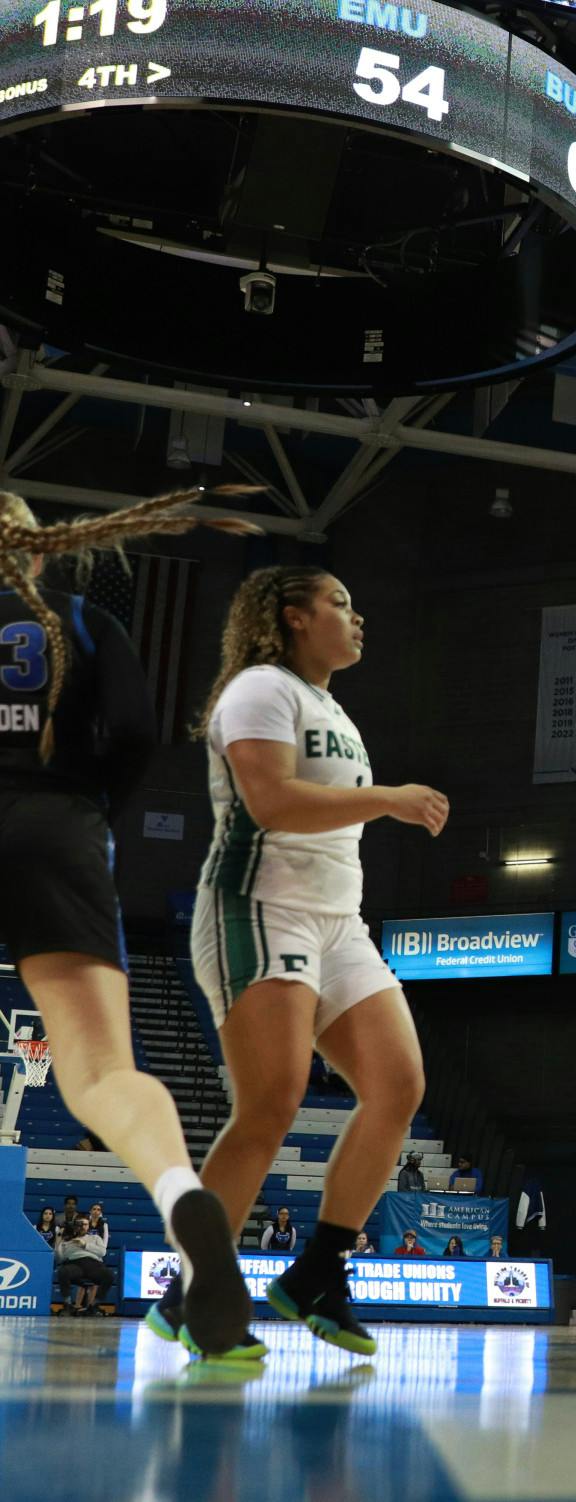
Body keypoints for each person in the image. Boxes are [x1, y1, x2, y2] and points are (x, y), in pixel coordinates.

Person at [0, 488, 261, 1358]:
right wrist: (85, 812)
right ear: (43, 549)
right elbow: (140, 733)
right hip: (60, 828)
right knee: (102, 1071)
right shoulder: (84, 622)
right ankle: (184, 1198)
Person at [172, 564, 448, 1360]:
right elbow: (273, 803)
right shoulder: (260, 688)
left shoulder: (333, 709)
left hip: (338, 921)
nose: (357, 618)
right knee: (271, 1102)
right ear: (294, 615)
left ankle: (319, 1272)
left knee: (398, 1087)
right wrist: (388, 798)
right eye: (340, 603)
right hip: (260, 906)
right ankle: (196, 1290)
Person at [54, 1214, 115, 1314]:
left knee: (109, 1275)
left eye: (85, 1224)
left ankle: (94, 1305)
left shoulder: (95, 1238)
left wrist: (85, 1245)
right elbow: (60, 1259)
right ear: (75, 1225)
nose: (82, 1227)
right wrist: (58, 1242)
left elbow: (102, 1252)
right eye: (80, 1224)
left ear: (88, 1226)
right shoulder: (67, 1240)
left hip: (93, 1264)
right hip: (75, 1264)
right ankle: (68, 1304)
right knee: (63, 1271)